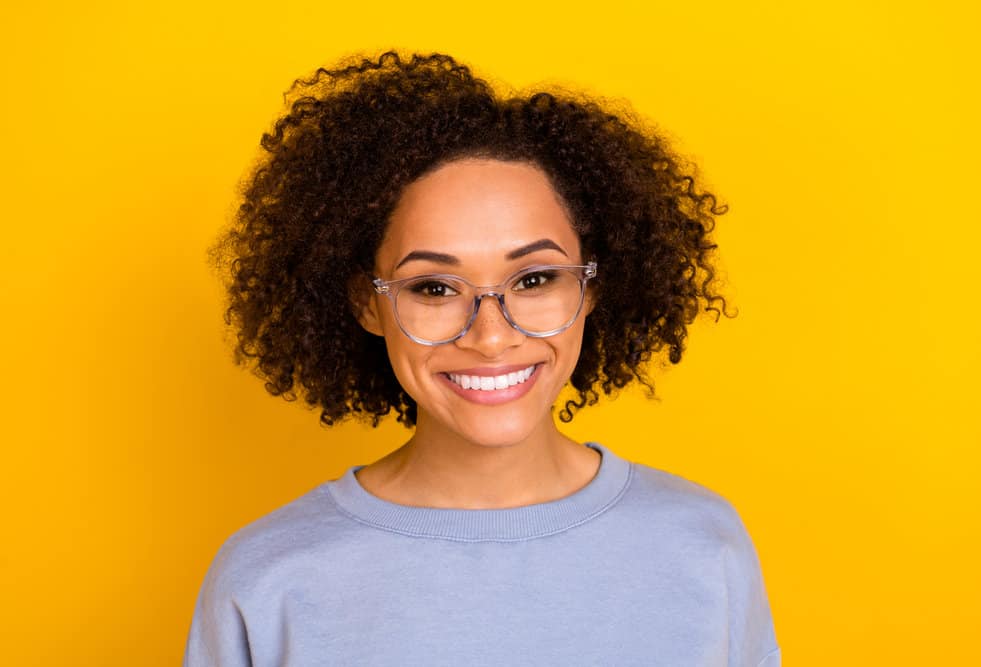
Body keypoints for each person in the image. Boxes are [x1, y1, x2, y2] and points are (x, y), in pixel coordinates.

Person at [184, 51, 780, 666]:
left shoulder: (704, 548)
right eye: (434, 288)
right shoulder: (266, 581)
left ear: (591, 287)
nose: (491, 337)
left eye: (535, 279)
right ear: (367, 304)